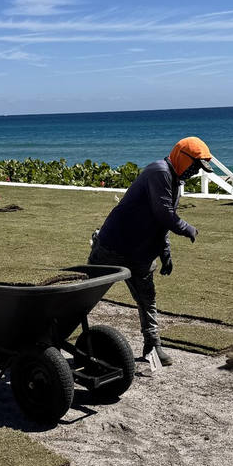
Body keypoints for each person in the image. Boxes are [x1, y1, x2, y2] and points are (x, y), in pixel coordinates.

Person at [88, 136, 212, 366]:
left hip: (140, 254)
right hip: (112, 245)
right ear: (182, 158)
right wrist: (187, 229)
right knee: (84, 296)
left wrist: (165, 254)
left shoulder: (174, 180)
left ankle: (152, 346)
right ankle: (53, 335)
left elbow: (160, 222)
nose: (195, 173)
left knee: (147, 300)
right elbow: (164, 214)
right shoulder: (160, 172)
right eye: (194, 167)